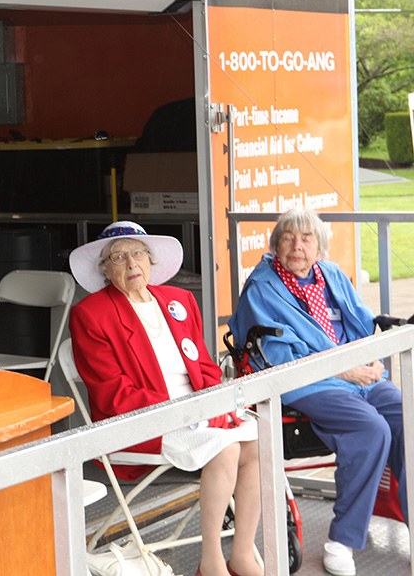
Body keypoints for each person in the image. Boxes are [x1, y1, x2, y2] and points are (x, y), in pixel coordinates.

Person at [68, 221, 261, 576]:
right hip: (142, 424)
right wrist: (187, 414)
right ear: (104, 270)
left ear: (151, 260)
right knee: (227, 447)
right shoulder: (91, 315)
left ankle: (243, 554)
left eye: (138, 253)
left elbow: (205, 366)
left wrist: (212, 407)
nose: (131, 264)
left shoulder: (179, 300)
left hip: (200, 413)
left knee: (259, 446)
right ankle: (212, 562)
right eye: (118, 257)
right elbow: (111, 394)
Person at [231, 207, 405, 576]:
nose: (297, 246)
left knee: (405, 416)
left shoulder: (333, 275)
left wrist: (371, 362)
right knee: (370, 429)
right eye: (288, 238)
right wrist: (348, 370)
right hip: (304, 381)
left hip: (357, 375)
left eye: (306, 238)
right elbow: (278, 358)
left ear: (319, 246)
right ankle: (341, 541)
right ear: (276, 244)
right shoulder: (262, 287)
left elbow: (362, 323)